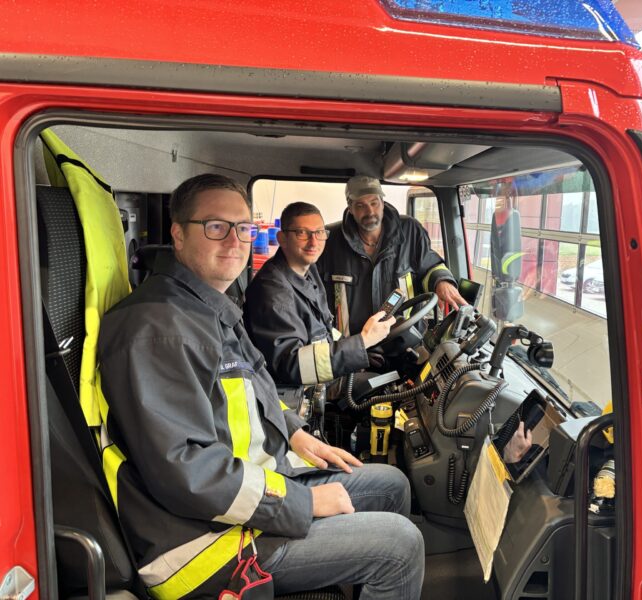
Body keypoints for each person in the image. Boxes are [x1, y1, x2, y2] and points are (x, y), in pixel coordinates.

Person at [97, 174, 424, 599]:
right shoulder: (158, 328)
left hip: (252, 487)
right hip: (202, 542)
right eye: (216, 227)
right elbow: (187, 473)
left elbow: (254, 382)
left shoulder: (206, 305)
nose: (235, 241)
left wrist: (295, 433)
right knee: (400, 545)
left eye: (244, 228)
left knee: (390, 484)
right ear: (178, 234)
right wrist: (304, 505)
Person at [244, 202, 395, 387]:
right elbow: (292, 366)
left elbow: (324, 329)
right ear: (282, 238)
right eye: (302, 233)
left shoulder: (309, 271)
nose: (313, 242)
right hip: (302, 389)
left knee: (389, 375)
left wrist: (358, 351)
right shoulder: (273, 291)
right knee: (385, 387)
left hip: (322, 374)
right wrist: (363, 341)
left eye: (319, 233)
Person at [317, 175, 467, 336]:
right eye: (361, 205)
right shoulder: (330, 240)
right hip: (355, 344)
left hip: (405, 339)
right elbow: (314, 290)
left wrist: (442, 282)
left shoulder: (410, 230)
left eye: (374, 203)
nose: (370, 212)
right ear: (351, 208)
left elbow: (429, 265)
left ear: (382, 203)